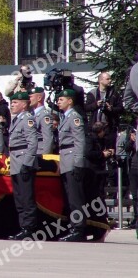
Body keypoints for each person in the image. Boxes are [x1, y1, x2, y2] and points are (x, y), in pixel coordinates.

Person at [55, 89, 88, 242]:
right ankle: (74, 226)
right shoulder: (64, 118)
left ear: (70, 101)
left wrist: (78, 163)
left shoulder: (74, 117)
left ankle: (79, 228)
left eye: (62, 99)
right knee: (70, 197)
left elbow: (79, 141)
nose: (58, 101)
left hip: (72, 161)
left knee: (76, 198)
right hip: (65, 160)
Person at [6, 92, 40, 240]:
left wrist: (27, 163)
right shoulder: (16, 120)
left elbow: (32, 143)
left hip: (23, 162)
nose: (12, 105)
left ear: (24, 104)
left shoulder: (27, 119)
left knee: (26, 198)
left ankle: (30, 228)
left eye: (15, 102)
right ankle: (23, 227)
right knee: (19, 198)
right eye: (12, 102)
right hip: (15, 162)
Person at [84, 72, 123, 142]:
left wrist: (111, 109)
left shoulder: (114, 93)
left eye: (110, 79)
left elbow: (121, 108)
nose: (110, 80)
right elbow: (86, 108)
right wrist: (96, 104)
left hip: (109, 126)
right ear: (100, 80)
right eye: (108, 79)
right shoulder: (92, 93)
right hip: (96, 126)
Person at [116, 128, 136, 233]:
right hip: (134, 167)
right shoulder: (132, 133)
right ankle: (136, 219)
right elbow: (127, 148)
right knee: (135, 196)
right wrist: (132, 140)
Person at [29, 87, 56, 156]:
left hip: (40, 152)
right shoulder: (31, 114)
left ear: (39, 98)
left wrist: (46, 156)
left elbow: (48, 138)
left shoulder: (44, 115)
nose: (29, 99)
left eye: (31, 97)